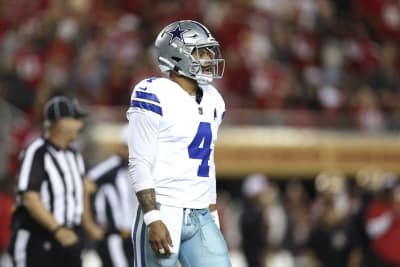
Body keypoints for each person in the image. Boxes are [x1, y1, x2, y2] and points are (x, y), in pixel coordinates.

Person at [126, 20, 231, 267]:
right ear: (177, 55)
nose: (208, 58)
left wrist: (212, 212)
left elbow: (208, 162)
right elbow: (139, 161)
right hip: (164, 207)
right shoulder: (154, 92)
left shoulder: (214, 99)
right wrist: (152, 217)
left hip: (199, 211)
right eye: (200, 51)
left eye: (209, 51)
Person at [8, 96, 90, 267]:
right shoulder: (37, 152)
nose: (80, 125)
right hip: (39, 238)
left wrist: (87, 228)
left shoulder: (74, 156)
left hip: (69, 237)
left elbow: (81, 194)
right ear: (61, 122)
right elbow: (30, 197)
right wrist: (57, 229)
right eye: (75, 119)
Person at [85, 124, 136, 267]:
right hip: (115, 236)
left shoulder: (138, 168)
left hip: (133, 235)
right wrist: (90, 225)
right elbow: (86, 186)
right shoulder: (111, 166)